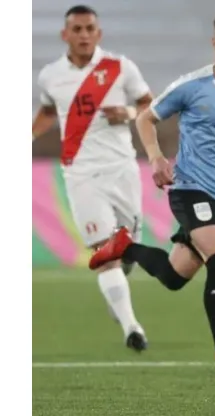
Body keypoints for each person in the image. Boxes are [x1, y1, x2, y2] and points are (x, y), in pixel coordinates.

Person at [88, 8, 215, 380]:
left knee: (174, 276)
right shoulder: (191, 86)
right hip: (189, 188)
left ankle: (124, 246)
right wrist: (156, 158)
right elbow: (145, 118)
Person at [32, 5, 153, 352]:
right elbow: (47, 110)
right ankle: (132, 327)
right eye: (77, 29)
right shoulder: (51, 76)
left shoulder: (120, 68)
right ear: (64, 34)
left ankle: (118, 292)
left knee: (127, 249)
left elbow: (149, 104)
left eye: (89, 29)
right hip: (80, 173)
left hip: (121, 169)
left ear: (98, 34)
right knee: (105, 252)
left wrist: (129, 113)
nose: (83, 35)